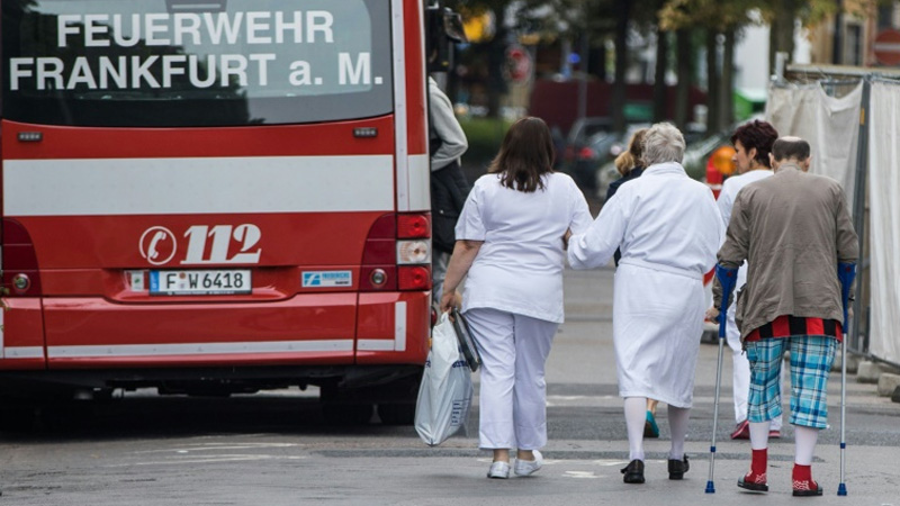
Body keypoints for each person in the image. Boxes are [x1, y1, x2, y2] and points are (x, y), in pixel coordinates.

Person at [567, 122, 723, 484]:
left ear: (646, 156)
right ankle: (676, 454)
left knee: (636, 370)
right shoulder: (701, 194)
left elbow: (598, 245)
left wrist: (574, 246)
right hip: (684, 285)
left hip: (638, 282)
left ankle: (636, 454)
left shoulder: (632, 191)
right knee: (679, 371)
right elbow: (717, 245)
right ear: (681, 155)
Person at [440, 116, 592, 479]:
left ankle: (499, 458)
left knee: (497, 372)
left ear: (506, 146)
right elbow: (585, 240)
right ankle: (527, 454)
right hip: (539, 292)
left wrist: (448, 289)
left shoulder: (485, 187)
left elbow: (467, 244)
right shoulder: (565, 187)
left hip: (489, 290)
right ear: (548, 149)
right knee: (530, 374)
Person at [713, 137, 858, 496]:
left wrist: (721, 302)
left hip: (765, 305)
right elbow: (848, 255)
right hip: (819, 308)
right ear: (807, 161)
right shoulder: (831, 190)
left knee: (761, 388)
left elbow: (730, 257)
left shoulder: (751, 193)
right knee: (811, 390)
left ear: (774, 161)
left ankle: (758, 472)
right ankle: (802, 475)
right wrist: (845, 300)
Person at [707, 120, 784, 441]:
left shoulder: (735, 187)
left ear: (754, 152)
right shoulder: (786, 183)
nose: (733, 158)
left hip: (744, 275)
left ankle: (748, 415)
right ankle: (774, 418)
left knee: (741, 344)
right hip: (782, 276)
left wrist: (715, 296)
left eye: (738, 151)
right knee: (777, 344)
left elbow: (723, 238)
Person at [605, 128, 661, 439]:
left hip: (630, 273)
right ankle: (652, 406)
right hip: (666, 276)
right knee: (661, 346)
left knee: (636, 347)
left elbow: (612, 236)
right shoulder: (672, 187)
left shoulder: (619, 186)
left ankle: (639, 409)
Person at [428, 75, 470, 306]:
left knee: (438, 275)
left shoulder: (429, 94)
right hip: (438, 191)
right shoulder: (422, 92)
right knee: (436, 274)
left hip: (439, 193)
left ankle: (461, 333)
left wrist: (423, 169)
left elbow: (457, 142)